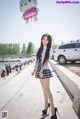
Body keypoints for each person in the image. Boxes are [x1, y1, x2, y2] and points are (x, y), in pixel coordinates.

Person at [32, 34, 58, 119]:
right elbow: (37, 60)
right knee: (44, 89)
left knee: (47, 89)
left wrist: (42, 71)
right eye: (43, 39)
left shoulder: (49, 49)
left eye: (46, 40)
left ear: (49, 41)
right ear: (41, 39)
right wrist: (34, 70)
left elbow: (46, 61)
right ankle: (46, 105)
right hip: (39, 71)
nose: (44, 41)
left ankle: (53, 110)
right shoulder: (38, 49)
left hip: (45, 70)